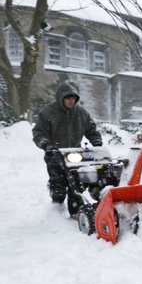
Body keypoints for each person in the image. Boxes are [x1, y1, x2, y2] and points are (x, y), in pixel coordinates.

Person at [32, 82, 103, 215]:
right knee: (58, 183)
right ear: (61, 98)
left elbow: (91, 129)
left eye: (73, 99)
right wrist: (46, 145)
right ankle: (57, 208)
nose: (71, 101)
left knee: (76, 184)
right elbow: (39, 133)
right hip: (54, 154)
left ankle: (75, 211)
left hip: (75, 154)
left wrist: (96, 142)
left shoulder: (81, 112)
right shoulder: (47, 113)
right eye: (68, 98)